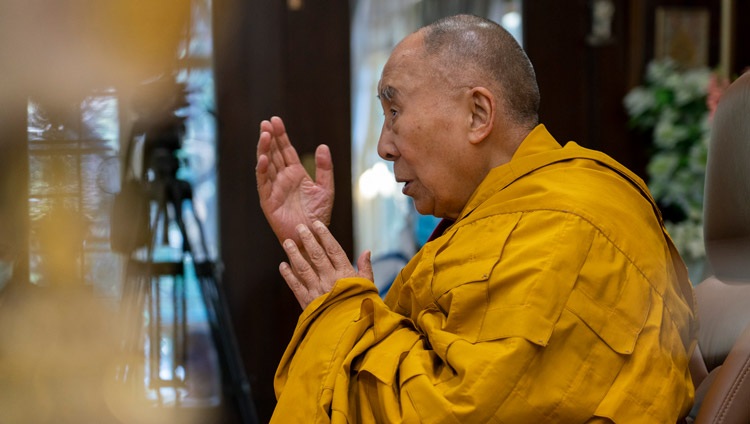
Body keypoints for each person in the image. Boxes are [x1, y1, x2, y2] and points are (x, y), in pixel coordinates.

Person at [255, 14, 697, 423]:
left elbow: (447, 410)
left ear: (478, 114)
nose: (384, 147)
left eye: (394, 112)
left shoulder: (567, 227)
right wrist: (312, 244)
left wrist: (344, 312)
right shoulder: (501, 215)